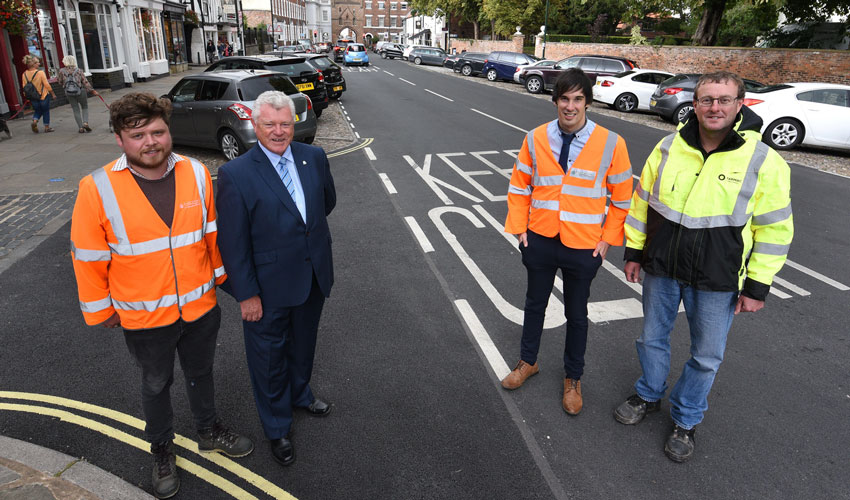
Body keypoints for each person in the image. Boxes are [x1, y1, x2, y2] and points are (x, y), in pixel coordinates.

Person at [69, 92, 254, 499]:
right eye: (138, 135)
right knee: (156, 384)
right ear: (120, 139)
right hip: (144, 317)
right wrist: (102, 312)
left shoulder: (196, 172)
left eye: (157, 131)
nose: (150, 142)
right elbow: (87, 258)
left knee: (201, 373)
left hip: (200, 307)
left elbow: (210, 237)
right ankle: (162, 449)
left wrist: (227, 284)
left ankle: (208, 430)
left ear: (168, 131)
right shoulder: (96, 188)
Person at [614, 71, 793, 463]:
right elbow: (642, 202)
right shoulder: (668, 146)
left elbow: (776, 229)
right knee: (651, 338)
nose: (715, 107)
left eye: (724, 100)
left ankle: (686, 418)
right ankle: (648, 394)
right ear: (694, 105)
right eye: (707, 99)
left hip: (718, 278)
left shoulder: (764, 160)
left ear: (740, 104)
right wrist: (633, 251)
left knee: (707, 355)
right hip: (662, 267)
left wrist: (758, 286)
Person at [502, 68, 634, 415]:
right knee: (534, 305)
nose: (570, 106)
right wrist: (520, 230)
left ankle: (573, 378)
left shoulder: (611, 143)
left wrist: (607, 240)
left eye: (578, 99)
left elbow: (622, 199)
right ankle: (527, 362)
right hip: (541, 238)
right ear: (555, 100)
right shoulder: (535, 138)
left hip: (584, 244)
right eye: (564, 98)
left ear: (587, 102)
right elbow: (519, 188)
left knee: (577, 314)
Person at [216, 90, 336, 467]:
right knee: (268, 360)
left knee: (303, 345)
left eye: (285, 123)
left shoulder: (313, 157)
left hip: (312, 276)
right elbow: (231, 244)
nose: (279, 131)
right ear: (255, 124)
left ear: (294, 123)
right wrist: (246, 294)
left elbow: (324, 203)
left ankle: (300, 393)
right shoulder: (235, 174)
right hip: (265, 289)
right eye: (269, 124)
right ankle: (278, 427)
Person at [57, 56, 99, 133]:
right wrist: (92, 91)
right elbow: (85, 82)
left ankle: (80, 128)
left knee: (75, 109)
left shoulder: (61, 71)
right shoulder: (79, 70)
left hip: (69, 92)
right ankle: (85, 123)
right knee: (84, 107)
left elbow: (59, 82)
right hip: (80, 91)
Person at [21, 54, 56, 133]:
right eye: (37, 63)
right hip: (43, 95)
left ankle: (34, 122)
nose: (39, 64)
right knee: (45, 111)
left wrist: (26, 96)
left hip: (33, 97)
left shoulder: (24, 74)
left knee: (37, 110)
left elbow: (24, 87)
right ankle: (47, 127)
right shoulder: (40, 73)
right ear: (33, 64)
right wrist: (53, 93)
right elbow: (46, 84)